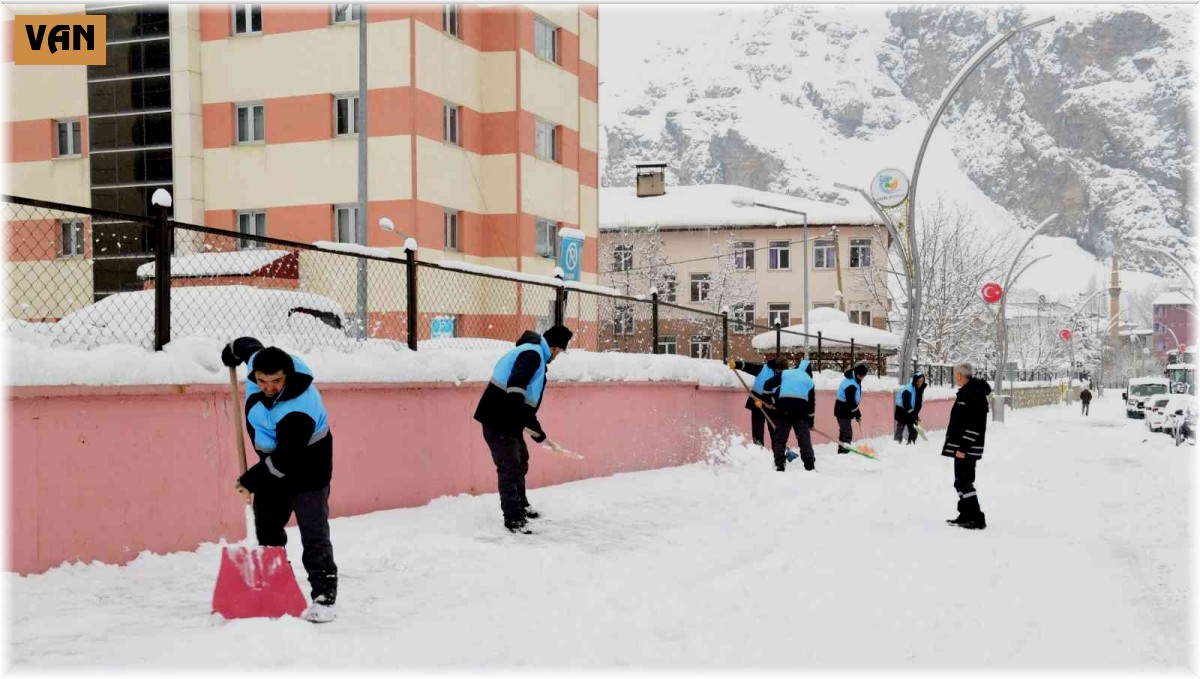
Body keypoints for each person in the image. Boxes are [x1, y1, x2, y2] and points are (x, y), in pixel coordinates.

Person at [221, 337, 338, 622]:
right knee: (267, 526)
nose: (269, 387)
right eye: (262, 380)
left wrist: (251, 479)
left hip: (307, 469)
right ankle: (275, 585)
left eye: (276, 381)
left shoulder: (299, 406)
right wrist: (232, 351)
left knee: (313, 534)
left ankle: (324, 597)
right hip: (273, 466)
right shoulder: (257, 368)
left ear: (287, 374)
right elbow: (249, 347)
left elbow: (288, 458)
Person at [474, 325, 573, 534]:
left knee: (521, 459)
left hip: (506, 419)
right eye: (561, 351)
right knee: (510, 467)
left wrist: (539, 435)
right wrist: (519, 417)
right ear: (555, 348)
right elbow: (516, 388)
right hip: (497, 419)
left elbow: (524, 404)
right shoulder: (533, 354)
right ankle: (514, 519)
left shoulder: (534, 352)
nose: (559, 355)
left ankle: (522, 505)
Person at [943, 362, 992, 530]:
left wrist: (963, 447)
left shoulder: (974, 394)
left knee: (964, 481)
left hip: (967, 448)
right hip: (961, 447)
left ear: (960, 375)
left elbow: (975, 425)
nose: (954, 378)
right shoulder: (966, 393)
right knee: (960, 481)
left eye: (955, 375)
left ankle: (977, 517)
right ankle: (966, 514)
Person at [766, 359, 816, 472]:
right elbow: (811, 404)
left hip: (784, 411)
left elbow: (768, 384)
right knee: (804, 441)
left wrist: (771, 400)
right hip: (801, 413)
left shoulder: (786, 373)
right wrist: (810, 422)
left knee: (780, 439)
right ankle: (809, 466)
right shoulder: (809, 381)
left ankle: (779, 465)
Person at [728, 357, 788, 447]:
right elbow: (749, 367)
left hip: (773, 405)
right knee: (757, 429)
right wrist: (736, 364)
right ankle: (758, 450)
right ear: (776, 367)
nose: (781, 372)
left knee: (775, 430)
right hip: (757, 401)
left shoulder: (785, 376)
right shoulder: (763, 369)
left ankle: (778, 453)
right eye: (780, 370)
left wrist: (774, 403)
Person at [834, 364, 869, 454]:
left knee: (844, 431)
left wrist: (856, 412)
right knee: (847, 432)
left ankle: (842, 450)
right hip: (842, 408)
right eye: (860, 376)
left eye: (863, 376)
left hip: (845, 408)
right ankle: (844, 451)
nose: (861, 378)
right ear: (856, 373)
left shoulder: (854, 379)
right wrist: (857, 413)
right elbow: (850, 402)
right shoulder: (850, 383)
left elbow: (852, 402)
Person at [894, 370, 927, 444]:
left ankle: (911, 444)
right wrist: (914, 415)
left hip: (910, 411)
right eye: (919, 380)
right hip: (902, 410)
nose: (920, 383)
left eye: (922, 381)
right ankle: (896, 444)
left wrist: (916, 414)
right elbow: (906, 404)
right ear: (915, 380)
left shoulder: (919, 390)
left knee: (914, 429)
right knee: (900, 427)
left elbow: (916, 404)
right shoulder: (908, 389)